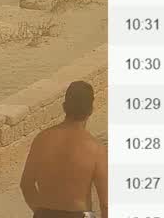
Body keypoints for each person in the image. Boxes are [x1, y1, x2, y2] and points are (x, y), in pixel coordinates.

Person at [18, 81, 107, 218]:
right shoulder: (95, 149)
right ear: (90, 110)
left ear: (64, 106)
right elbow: (105, 203)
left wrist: (40, 212)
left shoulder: (42, 139)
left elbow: (26, 184)